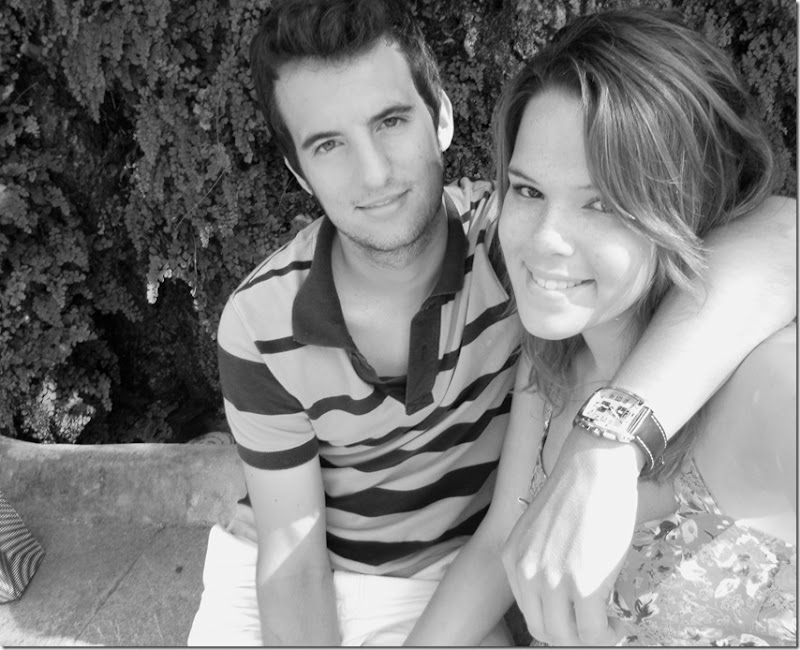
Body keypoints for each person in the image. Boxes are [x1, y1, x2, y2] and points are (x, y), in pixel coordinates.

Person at [187, 0, 796, 645]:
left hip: (437, 582)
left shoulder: (504, 260)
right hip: (309, 570)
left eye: (390, 121)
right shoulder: (545, 339)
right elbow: (295, 562)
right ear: (298, 172)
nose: (374, 173)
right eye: (328, 144)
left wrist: (609, 442)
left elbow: (781, 233)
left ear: (442, 119)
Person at [404, 8, 796, 647]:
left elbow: (788, 230)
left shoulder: (763, 387)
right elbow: (502, 536)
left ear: (689, 202)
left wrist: (609, 444)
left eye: (602, 203)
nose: (544, 241)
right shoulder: (554, 354)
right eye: (528, 191)